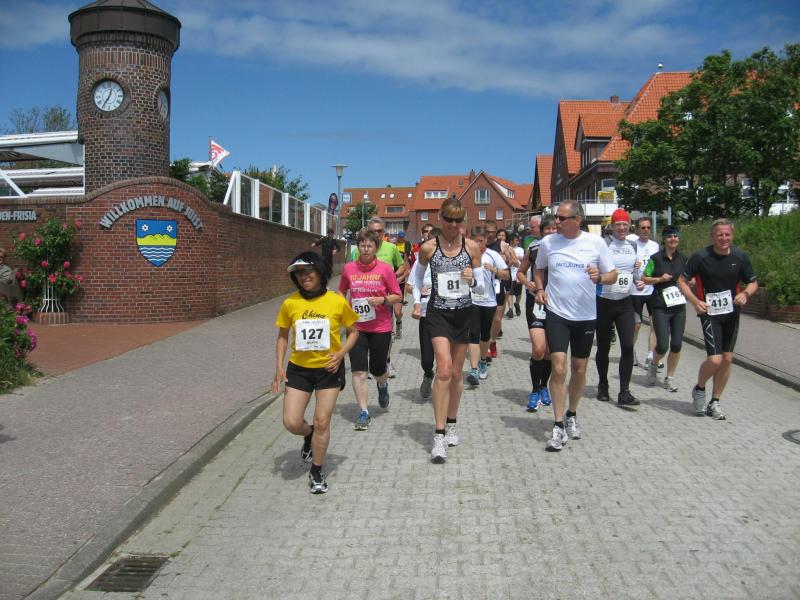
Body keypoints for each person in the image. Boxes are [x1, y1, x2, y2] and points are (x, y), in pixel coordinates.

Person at [272, 252, 359, 493]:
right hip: (299, 369)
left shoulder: (336, 301)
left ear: (320, 272)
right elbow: (282, 336)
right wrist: (278, 366)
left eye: (309, 271)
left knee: (322, 421)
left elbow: (354, 331)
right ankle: (308, 435)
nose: (304, 277)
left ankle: (317, 471)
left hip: (328, 369)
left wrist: (341, 354)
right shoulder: (290, 303)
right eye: (299, 274)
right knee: (291, 422)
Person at [534, 200, 617, 451]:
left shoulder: (596, 242)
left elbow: (612, 275)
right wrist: (539, 289)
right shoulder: (549, 243)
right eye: (556, 217)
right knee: (559, 367)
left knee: (579, 369)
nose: (556, 222)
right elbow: (539, 268)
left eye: (562, 218)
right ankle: (558, 424)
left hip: (585, 315)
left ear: (577, 220)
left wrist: (600, 277)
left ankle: (572, 414)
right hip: (557, 313)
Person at [412, 197, 483, 462]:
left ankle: (452, 422)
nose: (453, 225)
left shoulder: (471, 247)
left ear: (463, 221)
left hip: (463, 314)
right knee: (443, 370)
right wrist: (418, 301)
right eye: (449, 220)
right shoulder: (428, 248)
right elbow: (416, 277)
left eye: (458, 220)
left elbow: (482, 287)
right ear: (440, 218)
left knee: (455, 373)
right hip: (438, 313)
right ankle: (439, 434)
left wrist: (472, 280)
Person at [677, 219, 758, 420]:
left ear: (732, 235)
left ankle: (715, 401)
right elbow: (681, 281)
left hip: (731, 313)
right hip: (709, 313)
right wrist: (695, 301)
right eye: (719, 234)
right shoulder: (701, 256)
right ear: (712, 236)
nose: (724, 238)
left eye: (727, 234)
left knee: (727, 359)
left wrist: (746, 293)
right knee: (715, 359)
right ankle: (699, 388)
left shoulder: (740, 257)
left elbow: (753, 282)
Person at [339, 228, 402, 430]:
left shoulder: (385, 269)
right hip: (356, 327)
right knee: (358, 371)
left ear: (376, 248)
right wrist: (344, 309)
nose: (366, 249)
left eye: (370, 246)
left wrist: (382, 300)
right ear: (358, 247)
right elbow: (341, 291)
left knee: (377, 369)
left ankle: (382, 385)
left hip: (380, 327)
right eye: (362, 245)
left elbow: (398, 295)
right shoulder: (349, 268)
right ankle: (364, 412)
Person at [594, 209, 640, 406]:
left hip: (625, 302)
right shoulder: (603, 244)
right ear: (612, 226)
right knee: (603, 347)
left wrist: (638, 280)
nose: (622, 228)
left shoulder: (633, 245)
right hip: (604, 301)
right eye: (618, 224)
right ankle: (603, 385)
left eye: (625, 224)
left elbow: (632, 272)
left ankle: (624, 392)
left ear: (629, 226)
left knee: (628, 346)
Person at [516, 214, 557, 411]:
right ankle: (534, 390)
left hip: (557, 304)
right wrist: (527, 283)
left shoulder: (564, 249)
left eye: (554, 228)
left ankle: (544, 387)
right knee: (539, 348)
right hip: (536, 302)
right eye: (547, 229)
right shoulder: (533, 248)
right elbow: (520, 272)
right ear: (541, 231)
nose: (551, 232)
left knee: (549, 351)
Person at [641, 225, 688, 392]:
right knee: (662, 345)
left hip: (679, 307)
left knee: (676, 344)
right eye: (669, 236)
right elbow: (644, 278)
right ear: (664, 240)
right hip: (660, 306)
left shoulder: (684, 259)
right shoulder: (656, 259)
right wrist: (660, 279)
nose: (673, 239)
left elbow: (691, 278)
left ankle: (670, 378)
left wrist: (690, 282)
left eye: (675, 236)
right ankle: (654, 365)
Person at [466, 225, 508, 385]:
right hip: (472, 300)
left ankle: (483, 361)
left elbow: (506, 275)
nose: (478, 244)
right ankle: (473, 369)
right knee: (473, 334)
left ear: (485, 240)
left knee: (485, 335)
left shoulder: (492, 255)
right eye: (475, 241)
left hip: (489, 301)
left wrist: (494, 269)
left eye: (481, 241)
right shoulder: (466, 255)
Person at [409, 226, 438, 399]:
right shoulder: (422, 261)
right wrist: (418, 299)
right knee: (427, 359)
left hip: (447, 315)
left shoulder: (451, 261)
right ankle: (428, 374)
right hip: (427, 313)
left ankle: (442, 389)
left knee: (444, 359)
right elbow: (411, 285)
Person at [629, 217, 660, 369]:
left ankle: (650, 355)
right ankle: (630, 352)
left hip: (651, 290)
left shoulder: (655, 246)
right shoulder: (631, 244)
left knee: (655, 324)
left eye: (648, 227)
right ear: (637, 229)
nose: (646, 230)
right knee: (636, 325)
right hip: (635, 291)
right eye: (643, 227)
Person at [505, 233, 524, 318]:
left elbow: (522, 260)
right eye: (516, 240)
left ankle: (517, 303)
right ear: (511, 241)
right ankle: (510, 309)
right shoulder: (507, 248)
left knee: (518, 293)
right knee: (510, 292)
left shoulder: (520, 249)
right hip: (510, 273)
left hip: (518, 273)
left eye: (518, 240)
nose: (518, 242)